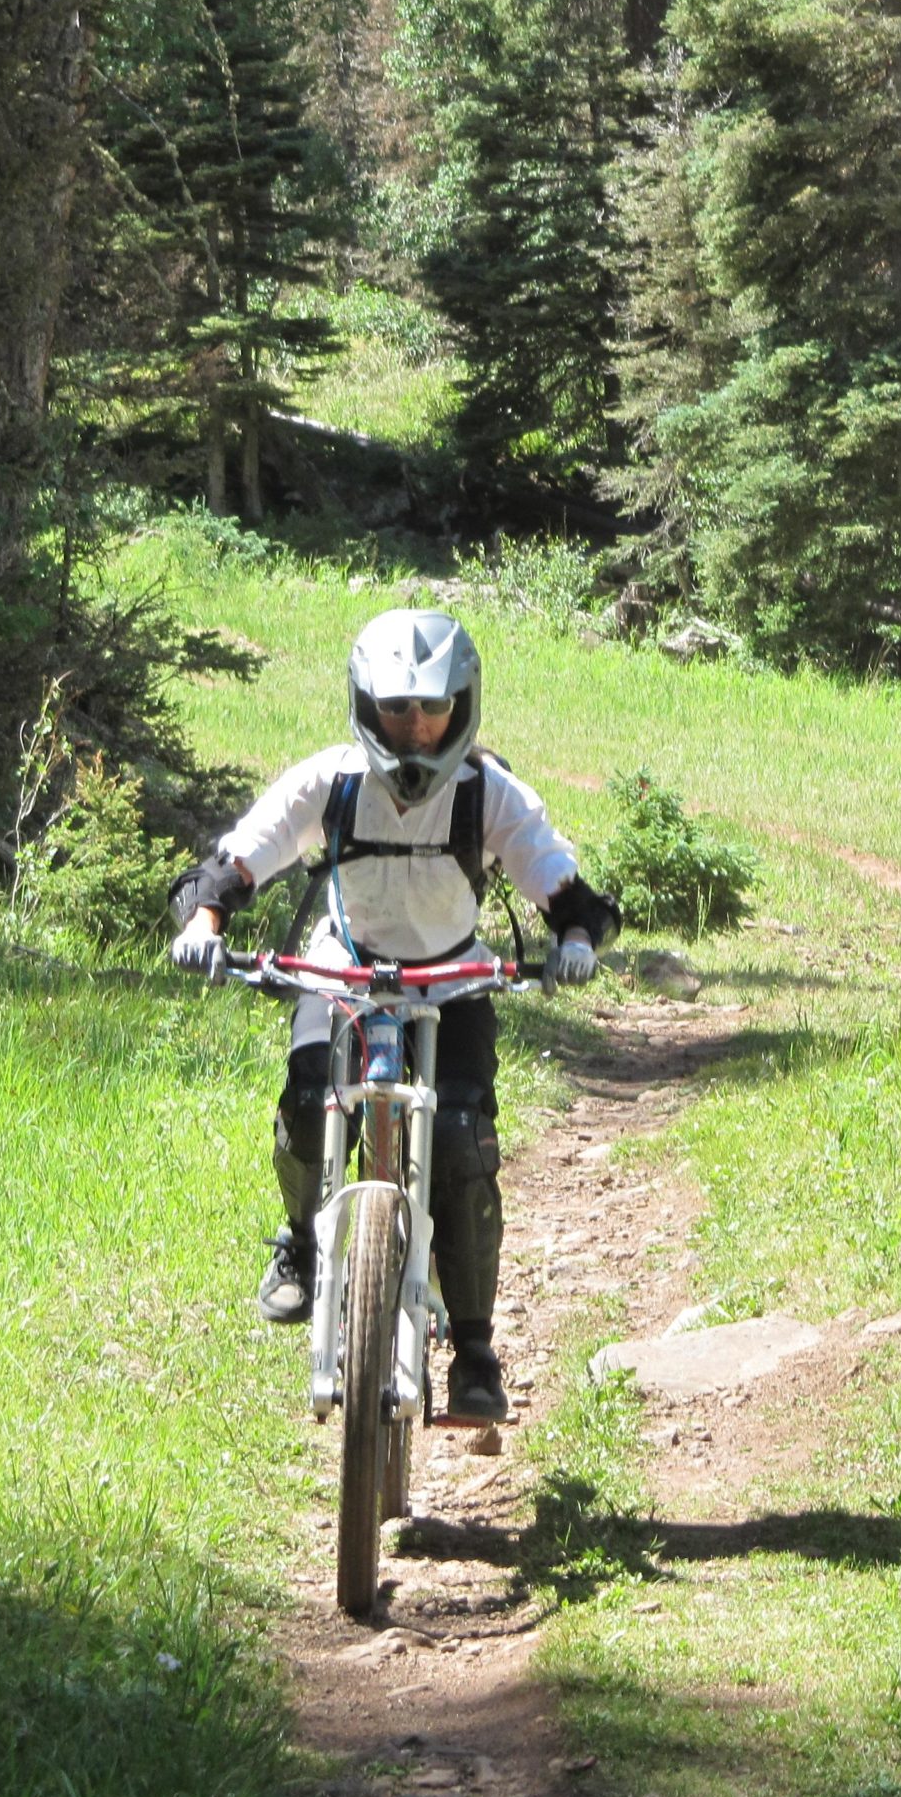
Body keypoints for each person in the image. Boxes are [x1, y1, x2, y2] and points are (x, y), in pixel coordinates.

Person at [165, 607, 619, 1422]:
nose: (414, 728)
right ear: (365, 704)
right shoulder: (332, 780)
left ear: (464, 703)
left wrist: (578, 936)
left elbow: (559, 881)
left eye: (431, 707)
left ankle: (476, 1351)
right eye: (396, 709)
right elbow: (242, 856)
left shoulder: (490, 793)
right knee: (309, 1101)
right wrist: (206, 923)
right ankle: (304, 1244)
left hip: (452, 980)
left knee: (461, 1142)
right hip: (342, 967)